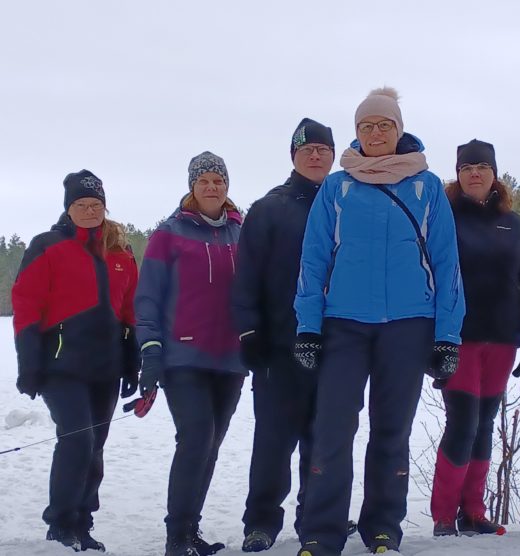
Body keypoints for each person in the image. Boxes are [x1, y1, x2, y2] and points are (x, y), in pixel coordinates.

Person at [293, 87, 466, 556]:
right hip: (343, 324)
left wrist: (448, 336)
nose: (375, 133)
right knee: (332, 429)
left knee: (392, 430)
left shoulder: (426, 186)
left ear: (398, 129)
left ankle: (383, 528)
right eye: (366, 126)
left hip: (408, 325)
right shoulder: (336, 186)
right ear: (356, 133)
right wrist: (308, 327)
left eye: (384, 125)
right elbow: (313, 261)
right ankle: (320, 532)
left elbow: (447, 264)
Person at [12, 170, 139, 551]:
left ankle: (83, 522)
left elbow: (131, 309)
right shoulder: (47, 245)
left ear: (104, 206)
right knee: (77, 439)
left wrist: (132, 360)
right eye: (81, 205)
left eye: (95, 204)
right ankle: (61, 522)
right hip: (60, 366)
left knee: (95, 444)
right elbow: (26, 305)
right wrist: (29, 364)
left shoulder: (119, 250)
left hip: (106, 367)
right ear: (68, 209)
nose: (89, 211)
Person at [233, 119, 343, 552]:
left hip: (336, 345)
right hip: (280, 345)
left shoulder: (344, 204)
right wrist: (249, 330)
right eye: (307, 149)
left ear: (333, 155)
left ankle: (315, 518)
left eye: (323, 149)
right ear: (293, 156)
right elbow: (247, 276)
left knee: (325, 440)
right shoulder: (270, 208)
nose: (316, 156)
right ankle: (260, 521)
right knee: (274, 440)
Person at [135, 152, 246, 556]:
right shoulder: (170, 233)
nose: (213, 187)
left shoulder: (241, 231)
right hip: (183, 358)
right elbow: (148, 297)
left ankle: (190, 531)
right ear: (192, 187)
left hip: (231, 359)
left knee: (211, 443)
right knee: (196, 437)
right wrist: (149, 350)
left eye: (219, 180)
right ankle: (176, 536)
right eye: (205, 181)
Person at [429, 140, 520, 537]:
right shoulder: (443, 219)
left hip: (504, 339)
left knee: (485, 424)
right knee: (462, 423)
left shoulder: (515, 224)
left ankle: (473, 511)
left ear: (495, 174)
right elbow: (430, 279)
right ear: (457, 175)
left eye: (482, 166)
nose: (474, 172)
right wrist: (433, 341)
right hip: (459, 339)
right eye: (466, 167)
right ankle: (444, 515)